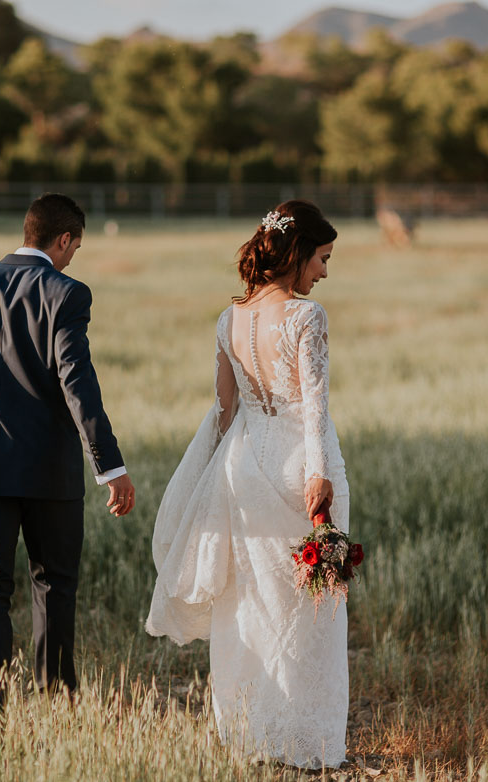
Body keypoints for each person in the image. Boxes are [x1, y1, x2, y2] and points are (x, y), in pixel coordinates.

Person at [146, 200, 349, 768]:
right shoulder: (307, 318)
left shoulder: (227, 318)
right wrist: (320, 477)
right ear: (297, 253)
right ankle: (306, 743)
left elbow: (224, 409)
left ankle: (251, 734)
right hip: (297, 465)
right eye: (322, 258)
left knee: (247, 605)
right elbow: (315, 407)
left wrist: (211, 479)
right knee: (311, 610)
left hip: (242, 466)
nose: (325, 272)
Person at [0, 193, 136, 720]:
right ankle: (56, 698)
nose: (73, 258)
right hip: (51, 469)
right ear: (64, 238)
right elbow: (77, 381)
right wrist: (109, 465)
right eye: (74, 247)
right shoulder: (66, 292)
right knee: (55, 583)